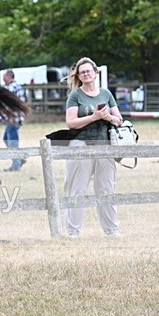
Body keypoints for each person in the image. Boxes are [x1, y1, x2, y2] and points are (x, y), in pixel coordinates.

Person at [64, 57, 125, 237]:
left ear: (95, 73)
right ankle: (73, 232)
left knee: (106, 189)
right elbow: (71, 122)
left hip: (104, 144)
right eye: (82, 72)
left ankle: (112, 230)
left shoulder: (106, 94)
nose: (86, 74)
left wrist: (107, 117)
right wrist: (94, 117)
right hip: (81, 144)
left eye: (88, 71)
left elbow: (119, 120)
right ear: (78, 76)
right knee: (77, 188)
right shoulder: (75, 96)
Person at [0, 69, 27, 171]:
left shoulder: (10, 88)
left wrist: (0, 118)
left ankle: (16, 165)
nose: (3, 78)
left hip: (12, 118)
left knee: (12, 141)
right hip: (17, 118)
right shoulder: (18, 87)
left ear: (9, 77)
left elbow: (7, 106)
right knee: (6, 138)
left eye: (4, 76)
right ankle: (19, 159)